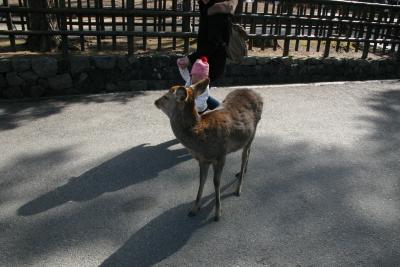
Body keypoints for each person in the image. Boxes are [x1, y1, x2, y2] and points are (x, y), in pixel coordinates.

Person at [177, 0, 238, 110]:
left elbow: (212, 44)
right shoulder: (206, 6)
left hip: (212, 62)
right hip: (206, 60)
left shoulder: (217, 11)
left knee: (200, 95)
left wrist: (190, 59)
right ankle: (221, 114)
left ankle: (223, 114)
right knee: (200, 95)